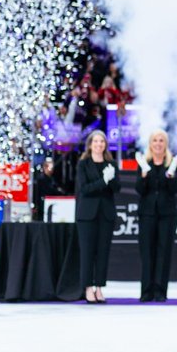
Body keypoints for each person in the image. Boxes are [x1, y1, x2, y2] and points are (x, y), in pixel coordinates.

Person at [135, 130, 177, 302]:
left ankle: (160, 291)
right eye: (155, 140)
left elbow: (176, 189)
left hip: (167, 215)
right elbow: (139, 190)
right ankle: (146, 291)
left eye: (161, 140)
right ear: (150, 143)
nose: (158, 143)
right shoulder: (143, 163)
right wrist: (144, 176)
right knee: (147, 253)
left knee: (164, 252)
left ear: (165, 144)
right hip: (147, 214)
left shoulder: (172, 163)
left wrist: (170, 177)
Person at [75, 130, 119, 304]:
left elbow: (117, 188)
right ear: (90, 144)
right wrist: (103, 181)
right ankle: (87, 288)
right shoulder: (83, 164)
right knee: (87, 252)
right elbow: (84, 189)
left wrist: (111, 179)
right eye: (96, 141)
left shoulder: (111, 164)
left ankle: (99, 287)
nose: (99, 144)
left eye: (102, 142)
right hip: (87, 215)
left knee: (103, 253)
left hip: (105, 214)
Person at [32, 157, 60, 222]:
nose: (51, 170)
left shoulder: (52, 179)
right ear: (45, 167)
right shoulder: (41, 179)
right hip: (42, 206)